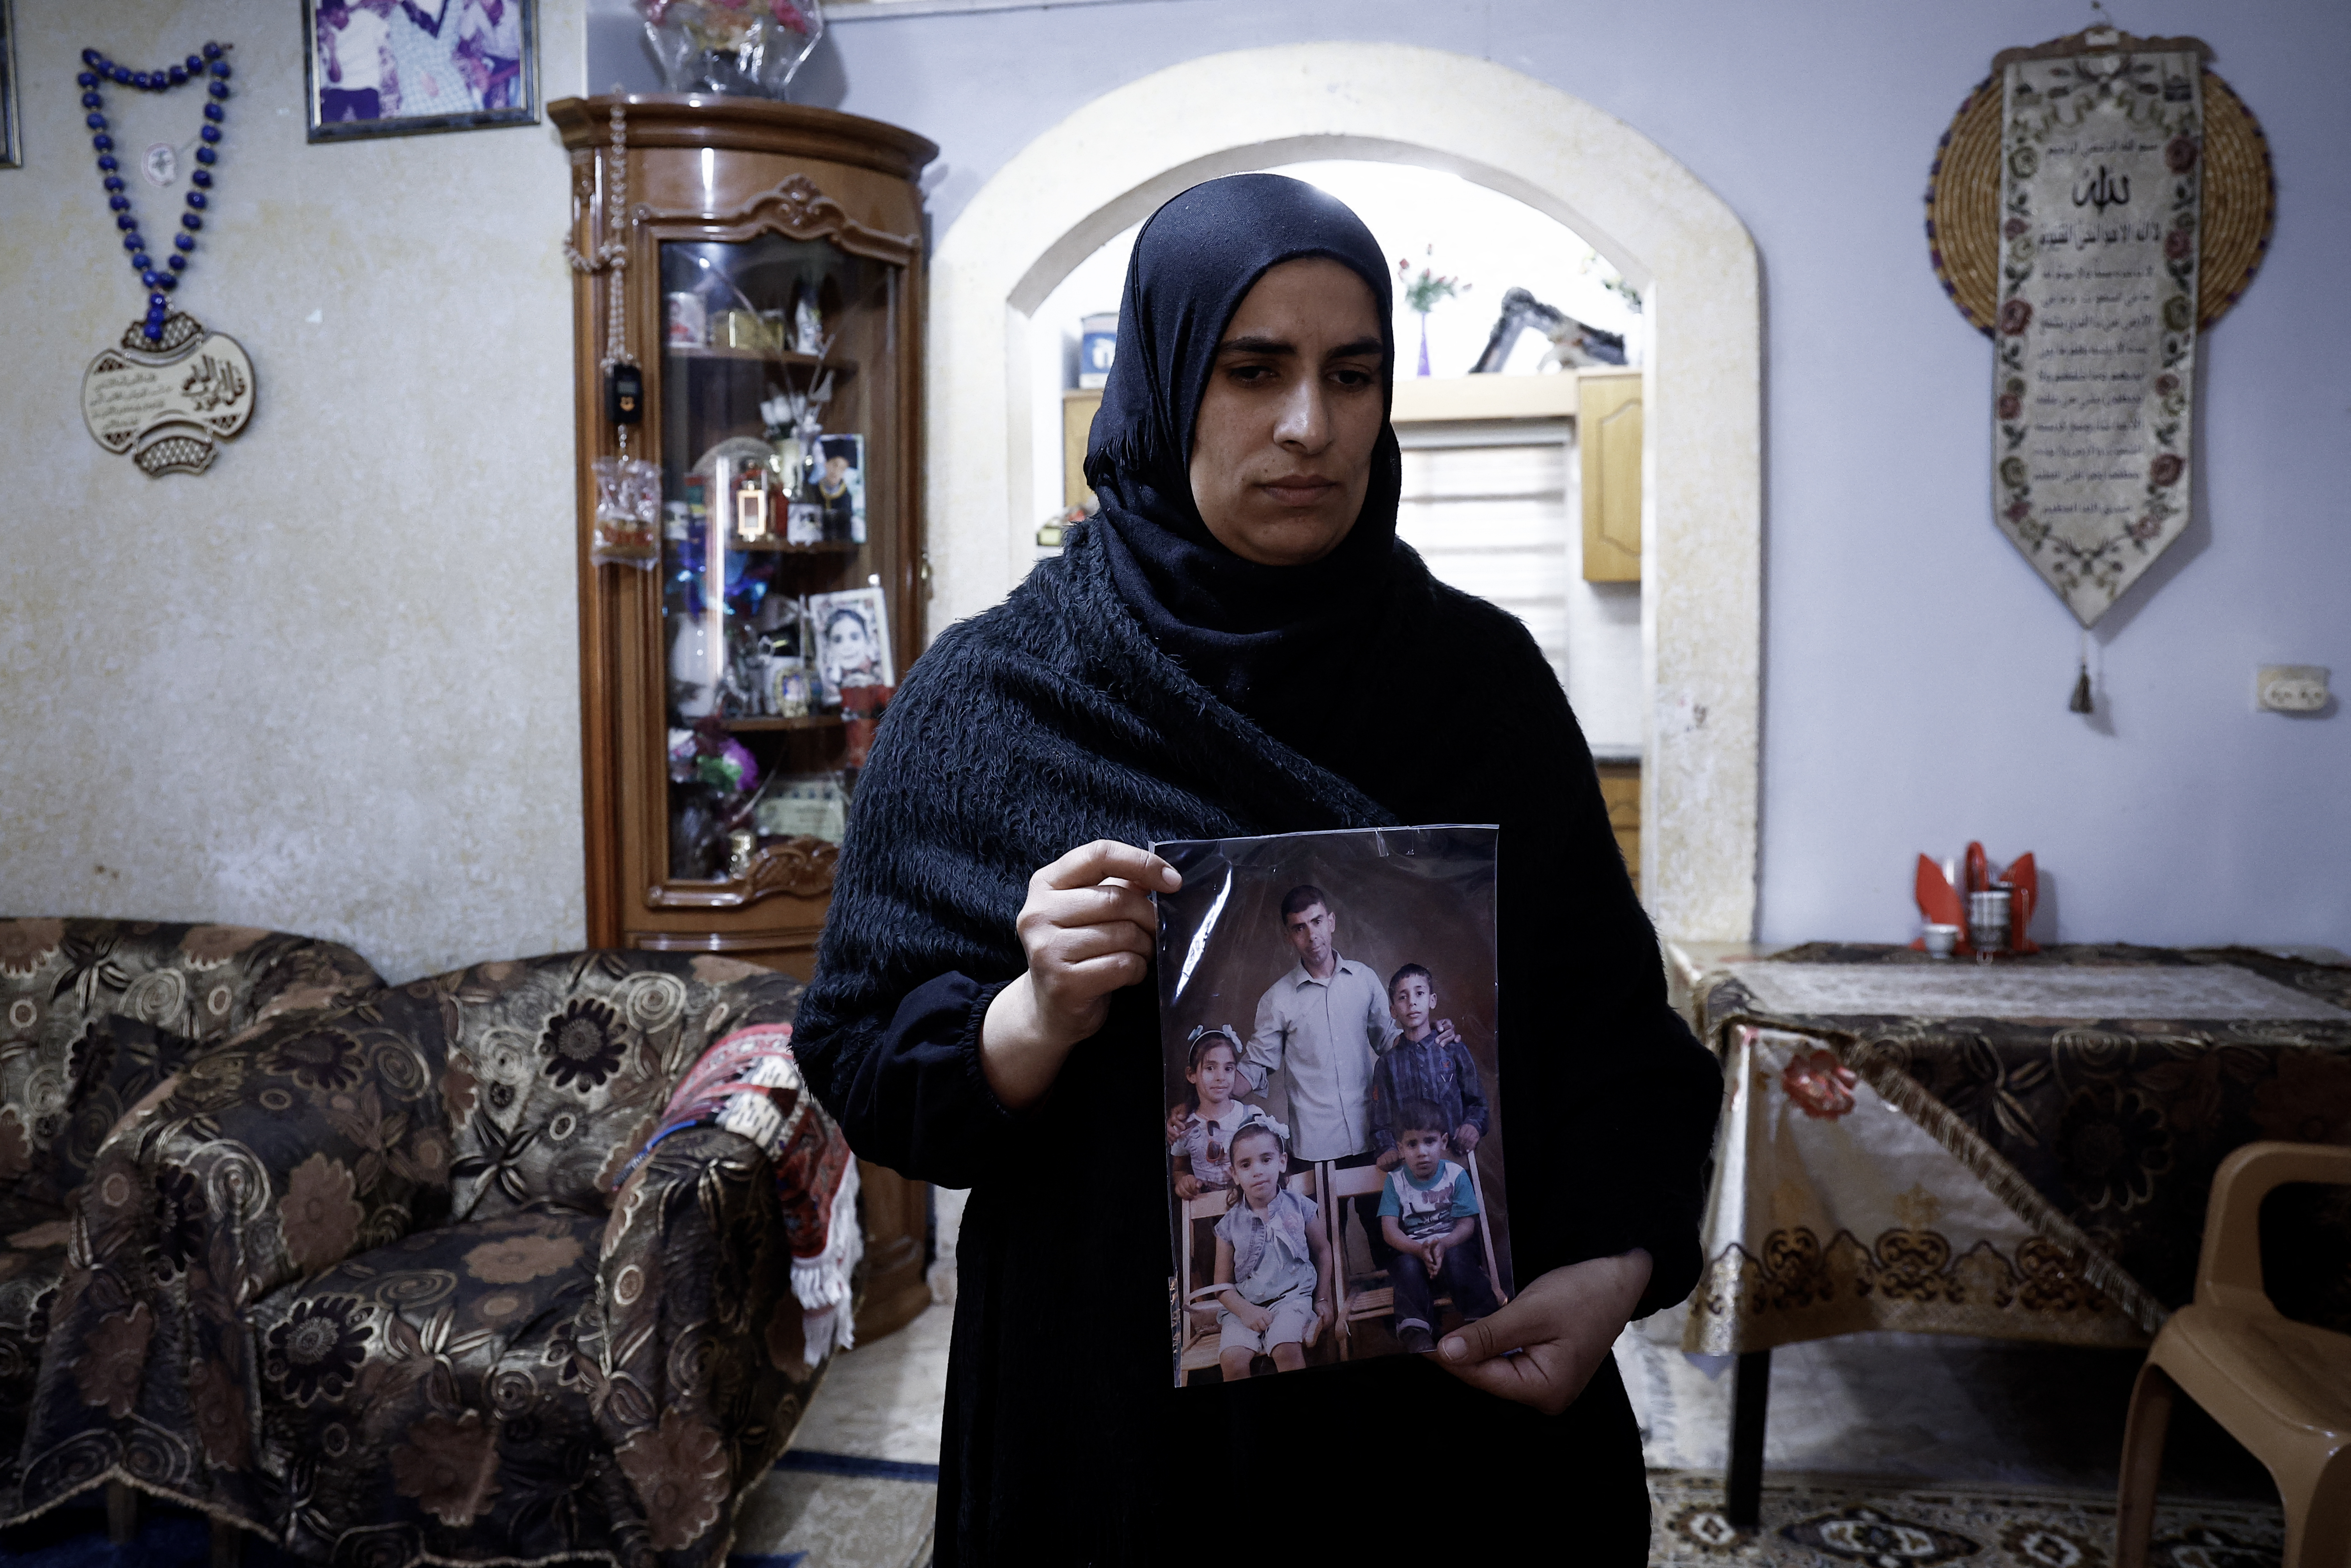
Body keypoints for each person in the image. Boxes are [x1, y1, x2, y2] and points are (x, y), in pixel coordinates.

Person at [793, 173, 1722, 1563]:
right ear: (1164, 384)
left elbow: (1613, 1041)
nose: (1310, 426)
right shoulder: (994, 701)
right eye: (1253, 370)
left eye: (1352, 375)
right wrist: (1029, 1016)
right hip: (1112, 1447)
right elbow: (861, 1058)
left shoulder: (1481, 687)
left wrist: (1614, 1266)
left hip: (1446, 1437)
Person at [1242, 883, 1401, 1263]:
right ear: (1289, 936)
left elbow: (1391, 1042)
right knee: (1321, 1254)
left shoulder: (1363, 979)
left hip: (1372, 1138)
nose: (1311, 935)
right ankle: (1329, 1304)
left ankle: (1401, 1304)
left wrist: (1430, 1037)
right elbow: (1255, 1066)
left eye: (1316, 922)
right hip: (1313, 1150)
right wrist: (1200, 1100)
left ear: (1331, 922)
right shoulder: (1278, 999)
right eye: (1299, 927)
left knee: (1388, 1242)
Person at [1209, 1123, 1332, 1379]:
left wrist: (1323, 1299)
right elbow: (1221, 1286)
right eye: (1246, 1165)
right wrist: (1245, 1311)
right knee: (1232, 1360)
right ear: (1234, 1174)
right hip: (1244, 1306)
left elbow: (1323, 1252)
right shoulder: (1229, 1226)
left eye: (1266, 1160)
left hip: (1292, 1299)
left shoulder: (1300, 1207)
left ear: (1282, 1162)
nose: (1258, 1171)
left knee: (1285, 1349)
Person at [1379, 1098, 1501, 1354]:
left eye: (1430, 1141)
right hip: (1415, 1252)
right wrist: (1417, 1250)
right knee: (1404, 1266)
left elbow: (1467, 1224)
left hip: (1453, 1245)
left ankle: (1483, 1321)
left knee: (1459, 1259)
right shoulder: (1395, 1181)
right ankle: (1417, 1334)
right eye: (1412, 1144)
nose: (1422, 1152)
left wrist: (1444, 1245)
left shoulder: (1455, 1175)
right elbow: (1389, 1231)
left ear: (1444, 1142)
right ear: (1401, 1149)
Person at [1369, 962, 1488, 1168]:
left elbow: (1478, 1104)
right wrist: (1388, 1149)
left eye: (1419, 994)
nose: (1412, 1003)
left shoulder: (1454, 1050)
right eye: (1403, 997)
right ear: (1393, 1011)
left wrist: (1473, 1126)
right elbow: (1381, 1124)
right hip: (1410, 1170)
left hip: (1456, 1163)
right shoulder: (1387, 1065)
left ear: (1432, 1000)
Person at [1169, 1025, 1259, 1198]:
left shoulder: (1250, 1117)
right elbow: (1179, 1169)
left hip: (1250, 1203)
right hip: (1210, 1208)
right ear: (1192, 1075)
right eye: (1211, 1068)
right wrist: (1184, 1181)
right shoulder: (1184, 1126)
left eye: (1228, 1069)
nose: (1221, 1077)